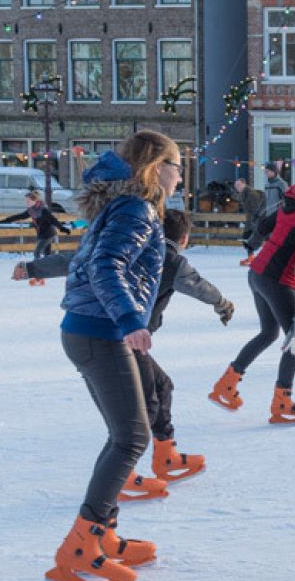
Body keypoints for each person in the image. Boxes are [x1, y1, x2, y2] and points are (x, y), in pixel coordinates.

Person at [45, 131, 184, 581]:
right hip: (100, 330)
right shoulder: (137, 208)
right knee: (132, 438)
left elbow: (88, 259)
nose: (180, 175)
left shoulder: (122, 205)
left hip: (88, 328)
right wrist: (128, 320)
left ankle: (102, 535)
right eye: (176, 165)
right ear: (154, 168)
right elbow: (105, 264)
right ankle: (79, 550)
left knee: (125, 435)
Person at [21, 209, 235, 494]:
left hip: (118, 335)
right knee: (142, 405)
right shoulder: (173, 261)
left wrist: (34, 268)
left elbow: (74, 261)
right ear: (184, 239)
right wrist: (223, 304)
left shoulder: (130, 247)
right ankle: (124, 474)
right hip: (120, 338)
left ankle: (166, 455)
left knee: (161, 386)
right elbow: (201, 287)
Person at [210, 171, 295, 423]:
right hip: (276, 280)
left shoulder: (290, 205)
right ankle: (282, 401)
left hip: (258, 273)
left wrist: (255, 242)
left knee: (269, 333)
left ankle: (227, 384)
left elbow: (262, 225)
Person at [1, 190, 71, 284]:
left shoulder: (43, 210)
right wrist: (6, 220)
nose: (27, 203)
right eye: (26, 201)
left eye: (28, 201)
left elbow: (53, 220)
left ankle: (37, 273)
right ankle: (45, 274)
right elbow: (20, 216)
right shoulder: (31, 210)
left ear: (34, 201)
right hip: (42, 235)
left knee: (37, 252)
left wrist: (62, 228)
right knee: (48, 256)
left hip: (49, 234)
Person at [234, 177, 266, 266]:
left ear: (244, 184)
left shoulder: (251, 194)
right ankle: (251, 257)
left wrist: (254, 221)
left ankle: (261, 258)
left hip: (256, 221)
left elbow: (256, 209)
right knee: (247, 239)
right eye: (236, 186)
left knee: (256, 239)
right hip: (250, 221)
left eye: (238, 185)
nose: (237, 187)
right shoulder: (244, 194)